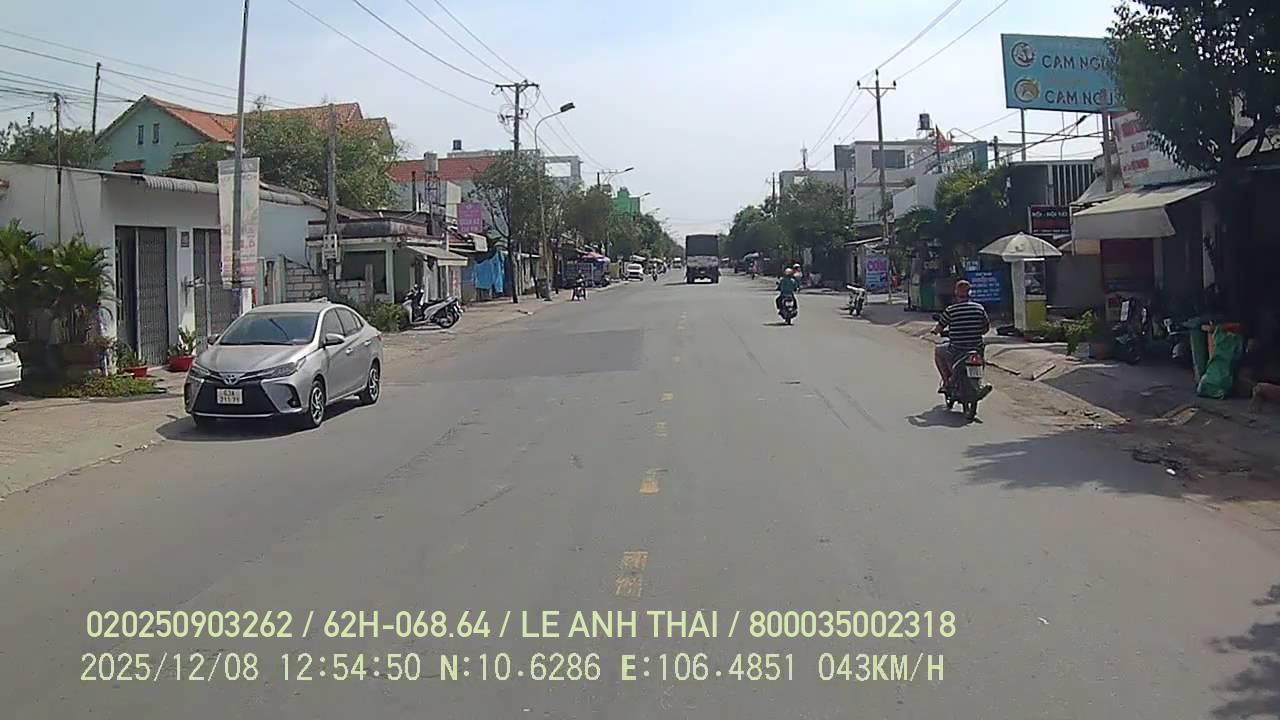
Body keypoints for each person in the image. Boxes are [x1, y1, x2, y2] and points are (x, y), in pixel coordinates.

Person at [933, 279, 992, 394]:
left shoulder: (951, 310)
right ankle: (979, 383)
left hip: (957, 349)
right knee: (980, 356)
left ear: (956, 292)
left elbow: (939, 327)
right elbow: (986, 328)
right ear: (970, 293)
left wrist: (935, 331)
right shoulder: (979, 308)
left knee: (938, 350)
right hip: (976, 348)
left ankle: (946, 382)